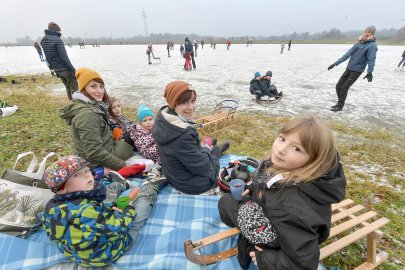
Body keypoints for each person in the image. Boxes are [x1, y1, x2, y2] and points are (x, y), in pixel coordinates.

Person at [218, 115, 346, 270]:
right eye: (282, 139)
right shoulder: (288, 169)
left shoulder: (291, 205)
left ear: (314, 160)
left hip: (277, 236)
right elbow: (267, 186)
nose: (281, 149)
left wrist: (265, 258)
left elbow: (303, 263)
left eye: (297, 148)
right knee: (232, 201)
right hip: (279, 221)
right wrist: (252, 189)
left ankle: (252, 244)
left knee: (225, 202)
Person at [38, 155, 167, 267]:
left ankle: (119, 184)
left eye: (86, 171)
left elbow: (88, 215)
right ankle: (151, 188)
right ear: (61, 188)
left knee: (105, 198)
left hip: (76, 254)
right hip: (103, 254)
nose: (86, 175)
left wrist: (109, 207)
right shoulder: (87, 211)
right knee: (137, 218)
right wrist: (129, 210)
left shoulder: (52, 208)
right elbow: (121, 226)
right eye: (77, 175)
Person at [152, 81, 230, 195]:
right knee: (213, 158)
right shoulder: (182, 134)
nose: (191, 107)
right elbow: (202, 168)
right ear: (174, 104)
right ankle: (215, 150)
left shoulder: (162, 119)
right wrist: (206, 150)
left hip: (172, 173)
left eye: (192, 101)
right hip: (190, 184)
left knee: (205, 151)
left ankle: (210, 148)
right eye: (184, 102)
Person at [59, 68, 133, 171]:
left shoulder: (88, 105)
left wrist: (112, 134)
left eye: (101, 86)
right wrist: (124, 166)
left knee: (131, 132)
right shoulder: (87, 114)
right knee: (134, 134)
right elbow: (94, 153)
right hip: (97, 161)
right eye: (93, 86)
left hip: (105, 147)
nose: (99, 91)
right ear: (83, 89)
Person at [328, 25, 378, 112]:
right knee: (338, 86)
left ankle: (340, 106)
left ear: (372, 34)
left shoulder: (372, 45)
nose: (366, 33)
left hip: (357, 70)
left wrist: (369, 72)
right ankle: (339, 103)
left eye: (369, 32)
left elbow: (371, 59)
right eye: (365, 31)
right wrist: (335, 64)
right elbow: (347, 55)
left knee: (344, 88)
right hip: (349, 68)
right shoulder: (359, 43)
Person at [41, 22, 78, 100]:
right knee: (75, 88)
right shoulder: (58, 40)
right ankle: (77, 105)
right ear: (55, 31)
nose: (59, 33)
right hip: (64, 68)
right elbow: (64, 57)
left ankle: (71, 102)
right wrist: (73, 70)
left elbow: (47, 56)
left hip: (56, 68)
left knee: (67, 86)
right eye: (58, 31)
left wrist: (51, 68)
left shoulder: (43, 40)